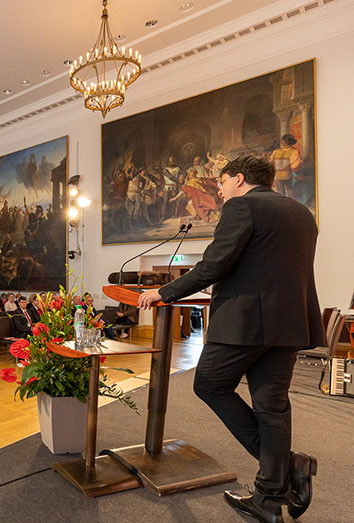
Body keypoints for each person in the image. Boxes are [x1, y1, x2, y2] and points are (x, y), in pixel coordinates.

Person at [138, 156, 322, 523]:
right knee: (272, 407)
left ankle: (289, 467)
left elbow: (214, 264)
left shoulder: (242, 205)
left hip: (246, 322)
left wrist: (165, 291)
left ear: (239, 179)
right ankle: (270, 499)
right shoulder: (302, 212)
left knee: (209, 384)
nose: (219, 190)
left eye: (221, 182)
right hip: (289, 322)